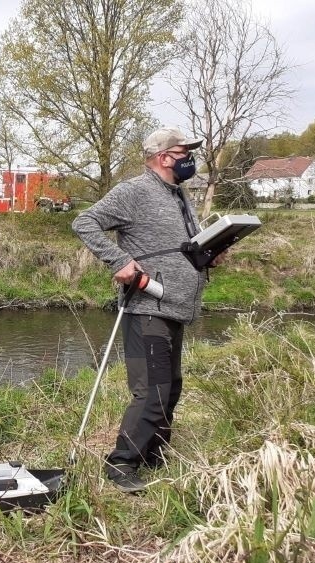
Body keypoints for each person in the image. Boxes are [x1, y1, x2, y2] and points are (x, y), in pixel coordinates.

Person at [72, 125, 223, 494]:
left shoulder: (179, 195)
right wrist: (118, 261)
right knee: (152, 392)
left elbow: (178, 248)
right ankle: (122, 463)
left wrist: (209, 253)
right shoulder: (135, 191)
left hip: (177, 306)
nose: (190, 158)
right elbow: (84, 222)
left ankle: (153, 456)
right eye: (185, 152)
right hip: (147, 306)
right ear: (163, 156)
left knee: (171, 388)